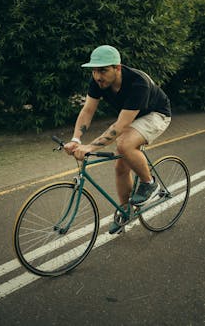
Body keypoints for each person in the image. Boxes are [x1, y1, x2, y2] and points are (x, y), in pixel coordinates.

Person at [64, 45, 171, 234]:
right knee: (120, 167)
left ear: (117, 68)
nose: (98, 76)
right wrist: (76, 139)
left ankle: (150, 184)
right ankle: (125, 210)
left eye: (103, 70)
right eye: (95, 70)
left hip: (157, 114)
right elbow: (87, 110)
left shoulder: (138, 83)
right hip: (132, 116)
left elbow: (120, 125)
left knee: (124, 144)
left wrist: (91, 147)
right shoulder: (98, 82)